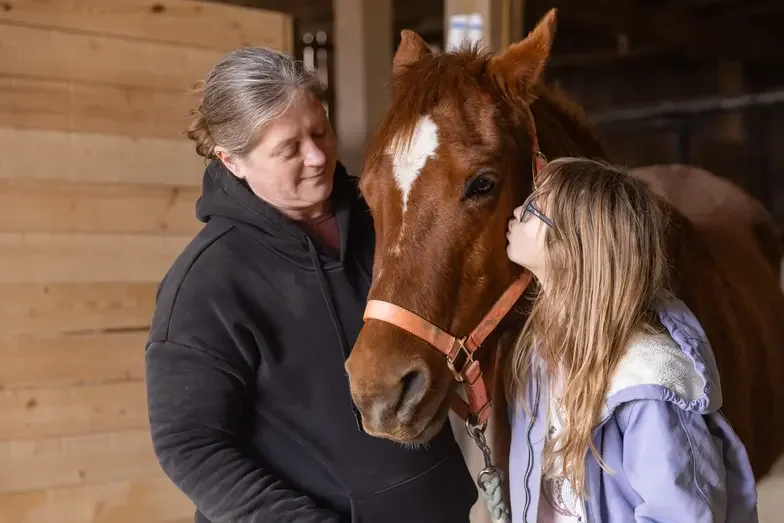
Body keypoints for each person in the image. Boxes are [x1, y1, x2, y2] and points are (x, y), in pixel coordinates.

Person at [144, 47, 477, 523]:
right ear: (231, 161)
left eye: (320, 131)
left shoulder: (386, 216)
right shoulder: (205, 285)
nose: (318, 156)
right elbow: (190, 445)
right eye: (289, 149)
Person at [503, 157, 759, 523]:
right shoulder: (542, 357)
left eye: (533, 208)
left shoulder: (646, 386)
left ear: (572, 246)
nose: (516, 210)